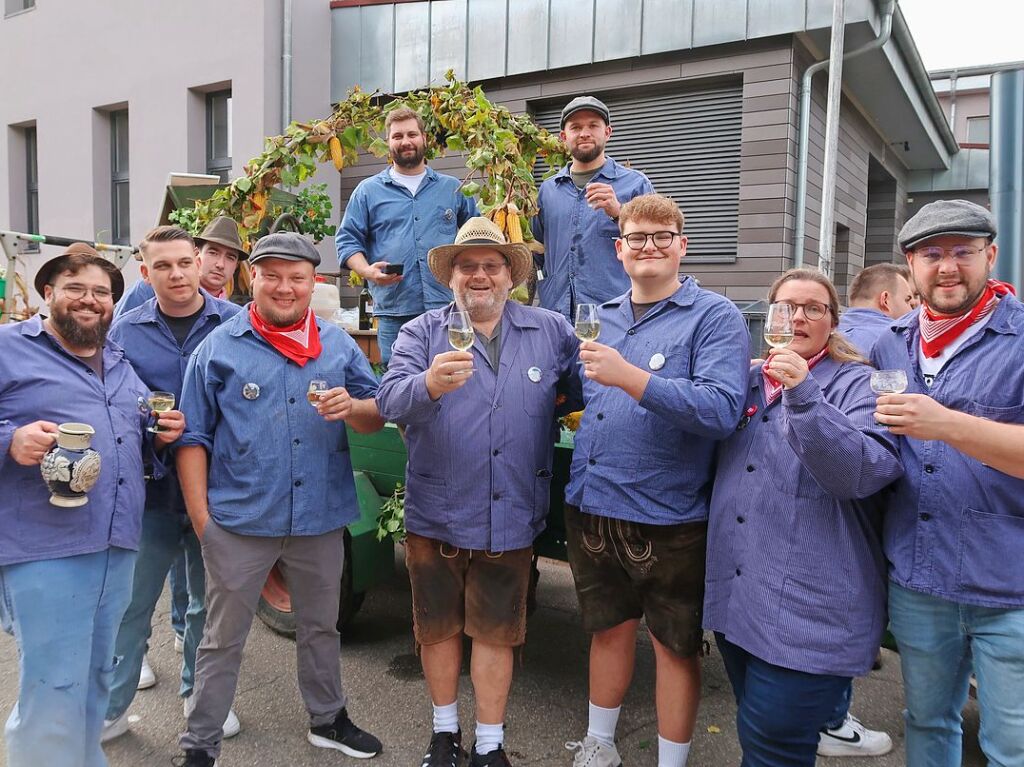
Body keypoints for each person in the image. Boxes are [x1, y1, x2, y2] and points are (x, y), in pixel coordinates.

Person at [377, 217, 581, 767]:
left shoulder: (552, 329)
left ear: (512, 274)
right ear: (452, 277)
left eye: (492, 266)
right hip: (436, 511)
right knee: (438, 628)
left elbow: (581, 390)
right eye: (469, 266)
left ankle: (490, 741)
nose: (480, 276)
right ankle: (444, 734)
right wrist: (427, 385)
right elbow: (389, 401)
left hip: (512, 510)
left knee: (498, 631)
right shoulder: (421, 332)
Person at [174, 232, 385, 766]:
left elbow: (377, 412)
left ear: (314, 283)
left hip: (318, 517)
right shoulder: (218, 347)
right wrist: (204, 522)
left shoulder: (336, 345)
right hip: (241, 519)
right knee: (222, 639)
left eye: (297, 277)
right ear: (253, 278)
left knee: (321, 627)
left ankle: (327, 719)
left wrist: (353, 407)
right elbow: (192, 438)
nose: (285, 287)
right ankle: (200, 744)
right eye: (273, 275)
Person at [562, 194, 749, 767]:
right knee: (608, 630)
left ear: (681, 246)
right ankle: (599, 742)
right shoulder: (603, 314)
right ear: (619, 250)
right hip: (593, 503)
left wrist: (632, 378)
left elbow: (721, 410)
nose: (648, 246)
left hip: (669, 515)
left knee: (675, 647)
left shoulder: (716, 317)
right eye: (636, 237)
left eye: (661, 236)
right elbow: (574, 392)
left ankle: (671, 761)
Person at [705, 268, 903, 767]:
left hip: (810, 613)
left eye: (813, 307)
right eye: (785, 307)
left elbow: (859, 473)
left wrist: (803, 392)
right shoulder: (747, 381)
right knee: (757, 732)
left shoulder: (860, 384)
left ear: (832, 321)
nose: (797, 316)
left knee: (773, 745)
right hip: (737, 601)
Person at [0, 244, 184, 767]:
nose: (89, 299)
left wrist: (160, 435)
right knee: (53, 681)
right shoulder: (10, 347)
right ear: (48, 293)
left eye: (101, 292)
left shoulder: (120, 364)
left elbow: (132, 438)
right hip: (45, 547)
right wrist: (10, 440)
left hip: (116, 543)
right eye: (74, 287)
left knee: (97, 676)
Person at [871, 199, 1024, 767]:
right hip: (919, 578)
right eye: (931, 254)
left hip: (1009, 585)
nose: (948, 267)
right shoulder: (891, 343)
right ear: (911, 265)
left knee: (1011, 748)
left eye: (963, 252)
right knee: (927, 724)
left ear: (991, 255)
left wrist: (948, 425)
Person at [101, 226, 242, 743]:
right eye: (163, 266)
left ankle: (198, 699)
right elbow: (110, 405)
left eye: (184, 262)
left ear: (198, 262)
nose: (177, 274)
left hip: (219, 492)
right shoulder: (125, 330)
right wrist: (149, 431)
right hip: (151, 492)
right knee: (132, 605)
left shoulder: (235, 323)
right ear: (146, 272)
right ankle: (113, 706)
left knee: (208, 607)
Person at [814, 261, 915, 758]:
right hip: (870, 492)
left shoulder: (818, 336)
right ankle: (832, 721)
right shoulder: (891, 342)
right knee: (849, 599)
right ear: (885, 301)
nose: (912, 308)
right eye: (909, 299)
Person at [335, 105, 479, 363]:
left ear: (424, 138)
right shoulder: (367, 192)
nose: (405, 141)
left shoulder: (452, 189)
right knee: (401, 382)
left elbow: (476, 238)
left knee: (453, 380)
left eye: (412, 134)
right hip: (394, 310)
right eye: (397, 136)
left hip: (446, 306)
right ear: (388, 143)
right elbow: (347, 241)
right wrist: (367, 272)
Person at [532, 95, 654, 321]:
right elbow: (536, 253)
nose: (584, 133)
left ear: (607, 132)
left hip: (615, 318)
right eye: (576, 127)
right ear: (564, 136)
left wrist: (619, 212)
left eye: (593, 126)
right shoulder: (548, 191)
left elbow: (655, 246)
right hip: (555, 318)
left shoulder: (636, 185)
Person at [114, 216, 248, 317]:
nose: (220, 264)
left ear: (236, 266)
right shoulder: (147, 290)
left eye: (230, 257)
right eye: (213, 253)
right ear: (197, 255)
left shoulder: (233, 316)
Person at [836, 263, 915, 357]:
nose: (912, 310)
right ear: (885, 300)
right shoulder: (898, 340)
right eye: (907, 300)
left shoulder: (825, 336)